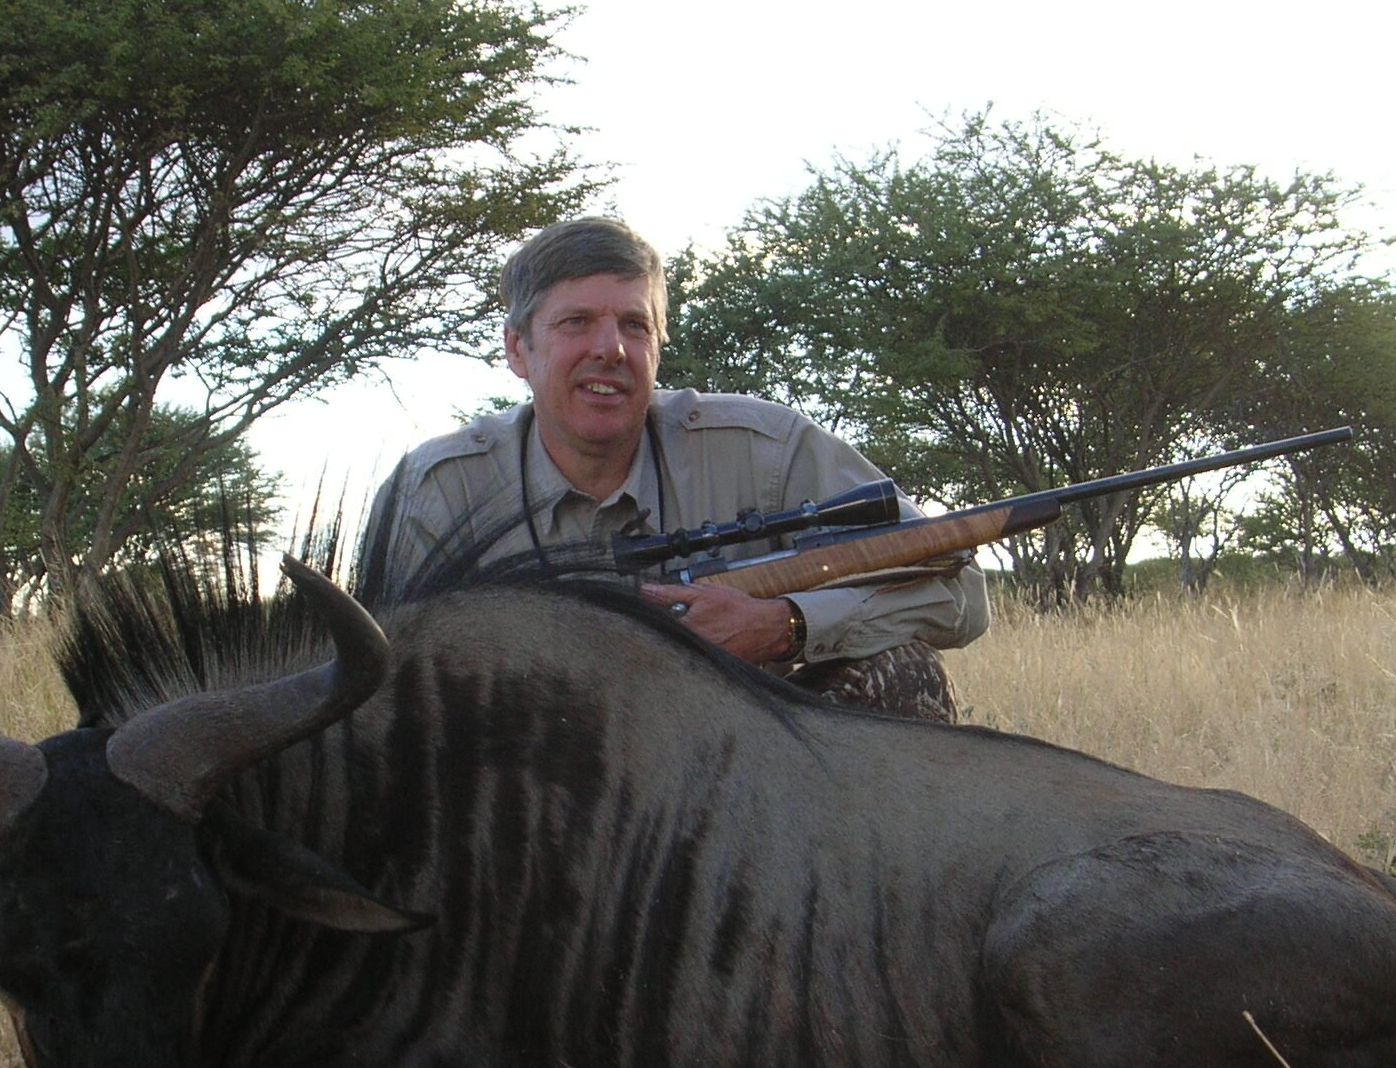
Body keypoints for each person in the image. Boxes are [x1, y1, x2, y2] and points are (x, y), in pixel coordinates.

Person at [359, 217, 989, 720]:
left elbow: (960, 592)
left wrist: (788, 624)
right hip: (523, 786)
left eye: (635, 325)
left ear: (658, 346)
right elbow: (372, 686)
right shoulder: (433, 489)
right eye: (577, 321)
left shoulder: (768, 448)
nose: (610, 349)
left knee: (905, 669)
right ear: (518, 349)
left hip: (736, 776)